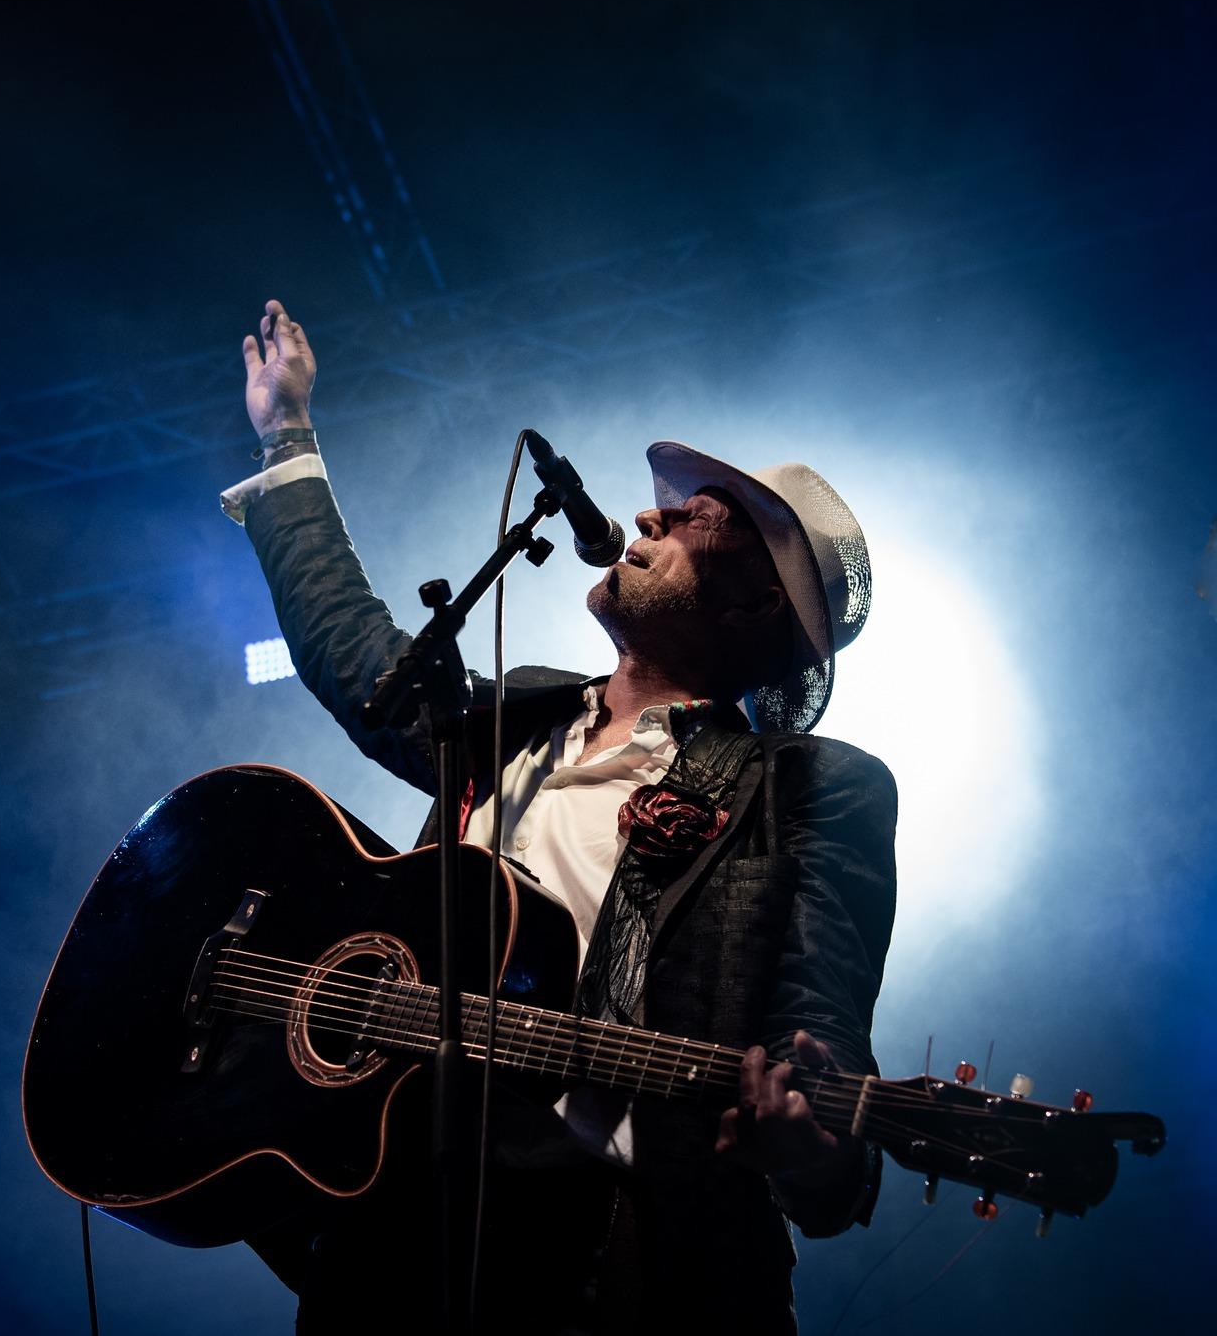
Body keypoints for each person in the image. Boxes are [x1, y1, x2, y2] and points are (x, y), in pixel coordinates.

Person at [225, 299, 896, 1334]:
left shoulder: (809, 785)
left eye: (693, 517)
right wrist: (286, 436)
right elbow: (353, 652)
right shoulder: (515, 716)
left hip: (613, 1269)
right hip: (391, 1242)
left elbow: (822, 1038)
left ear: (755, 602)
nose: (647, 519)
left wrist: (814, 1144)